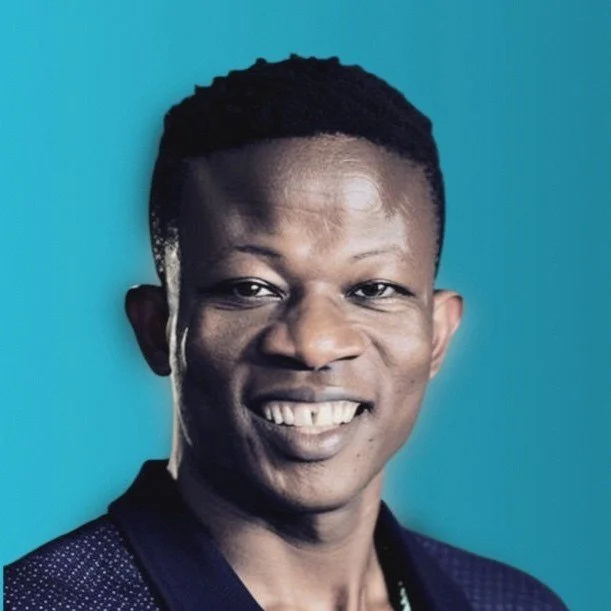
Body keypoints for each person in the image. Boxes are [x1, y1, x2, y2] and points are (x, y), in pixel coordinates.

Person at [4, 55, 567, 611]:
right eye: (251, 287)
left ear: (437, 335)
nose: (314, 344)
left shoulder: (515, 604)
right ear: (158, 329)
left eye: (373, 289)